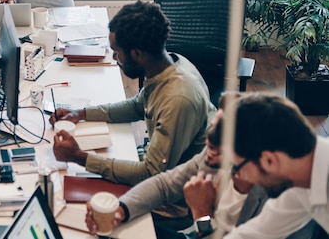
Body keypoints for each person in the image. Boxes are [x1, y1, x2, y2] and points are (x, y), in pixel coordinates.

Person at [51, 0, 213, 225]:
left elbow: (151, 174)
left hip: (171, 204)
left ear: (137, 53)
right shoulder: (169, 64)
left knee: (70, 213)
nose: (115, 59)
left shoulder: (178, 98)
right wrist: (81, 113)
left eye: (117, 53)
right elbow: (138, 105)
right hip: (155, 169)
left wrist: (79, 157)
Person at [83, 93, 318, 239]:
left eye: (235, 163)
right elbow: (166, 184)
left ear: (267, 160)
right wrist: (121, 208)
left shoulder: (287, 198)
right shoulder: (220, 153)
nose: (211, 151)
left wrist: (202, 215)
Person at [218, 93, 329, 238]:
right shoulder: (298, 187)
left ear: (269, 160)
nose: (237, 174)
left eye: (238, 167)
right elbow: (251, 234)